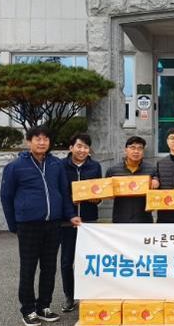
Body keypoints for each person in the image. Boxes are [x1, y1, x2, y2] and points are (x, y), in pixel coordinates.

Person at [0, 126, 80, 326]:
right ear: (29, 141)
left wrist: (70, 215)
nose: (42, 142)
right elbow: (6, 197)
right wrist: (13, 225)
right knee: (28, 268)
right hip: (28, 225)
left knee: (49, 268)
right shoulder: (15, 166)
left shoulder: (56, 164)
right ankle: (28, 310)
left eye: (46, 139)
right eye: (38, 138)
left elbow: (64, 192)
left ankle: (44, 306)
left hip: (53, 224)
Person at [60, 133, 102, 313]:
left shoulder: (95, 166)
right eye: (79, 146)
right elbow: (60, 193)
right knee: (66, 261)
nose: (82, 150)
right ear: (71, 148)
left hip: (89, 220)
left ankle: (89, 296)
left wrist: (97, 199)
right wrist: (70, 210)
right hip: (67, 221)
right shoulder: (61, 166)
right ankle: (70, 297)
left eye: (86, 147)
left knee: (89, 260)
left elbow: (99, 191)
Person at [106, 136, 160, 223]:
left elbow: (158, 192)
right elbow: (107, 192)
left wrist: (156, 180)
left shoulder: (152, 169)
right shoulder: (113, 170)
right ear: (125, 150)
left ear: (143, 152)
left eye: (140, 148)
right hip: (120, 218)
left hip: (144, 219)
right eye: (132, 148)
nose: (136, 151)